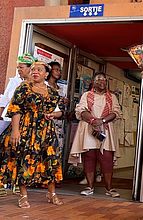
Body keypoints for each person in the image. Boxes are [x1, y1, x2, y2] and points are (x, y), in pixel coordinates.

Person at [0, 61, 64, 208]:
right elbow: (15, 109)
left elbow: (59, 111)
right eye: (33, 69)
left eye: (39, 70)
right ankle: (23, 195)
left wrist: (53, 114)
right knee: (24, 159)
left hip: (46, 130)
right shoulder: (24, 88)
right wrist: (15, 131)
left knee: (51, 159)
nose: (35, 72)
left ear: (46, 74)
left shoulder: (53, 92)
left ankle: (51, 193)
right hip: (26, 128)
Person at [69, 72, 122, 198]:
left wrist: (102, 121)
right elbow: (81, 110)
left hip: (106, 129)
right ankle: (89, 187)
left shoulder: (112, 97)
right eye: (98, 79)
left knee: (107, 159)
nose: (101, 82)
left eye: (104, 79)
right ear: (93, 82)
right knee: (89, 157)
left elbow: (116, 112)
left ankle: (109, 188)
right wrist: (93, 121)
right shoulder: (86, 95)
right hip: (89, 129)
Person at [0, 53, 36, 121]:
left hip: (26, 120)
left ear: (31, 68)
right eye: (18, 67)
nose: (19, 69)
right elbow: (5, 100)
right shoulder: (14, 81)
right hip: (8, 119)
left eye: (21, 67)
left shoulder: (39, 84)